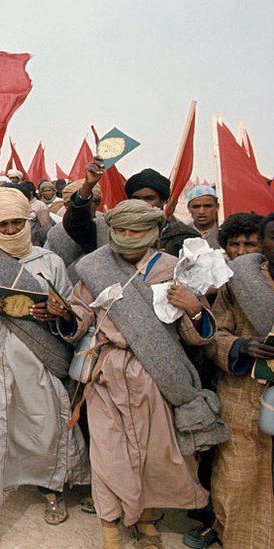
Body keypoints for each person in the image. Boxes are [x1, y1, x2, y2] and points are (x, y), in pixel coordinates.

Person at [55, 199, 227, 549]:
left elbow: (197, 334)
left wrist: (193, 308)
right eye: (120, 230)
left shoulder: (173, 268)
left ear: (154, 232)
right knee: (108, 456)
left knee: (150, 454)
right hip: (106, 375)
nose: (128, 236)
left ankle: (146, 521)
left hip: (155, 375)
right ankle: (110, 533)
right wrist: (63, 313)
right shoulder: (94, 267)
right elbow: (78, 315)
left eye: (136, 230)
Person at [0, 187, 90, 549]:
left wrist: (57, 314)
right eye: (3, 225)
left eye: (17, 222)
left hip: (38, 361)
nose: (11, 230)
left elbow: (74, 316)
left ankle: (50, 490)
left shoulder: (50, 262)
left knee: (43, 429)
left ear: (27, 221)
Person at [203, 213, 273, 549]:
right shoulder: (237, 284)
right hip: (242, 397)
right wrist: (240, 346)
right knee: (237, 479)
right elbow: (216, 334)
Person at [64, 163, 198, 257]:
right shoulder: (107, 230)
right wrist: (88, 185)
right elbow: (75, 225)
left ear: (163, 201)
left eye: (149, 198)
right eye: (136, 198)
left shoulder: (183, 237)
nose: (141, 204)